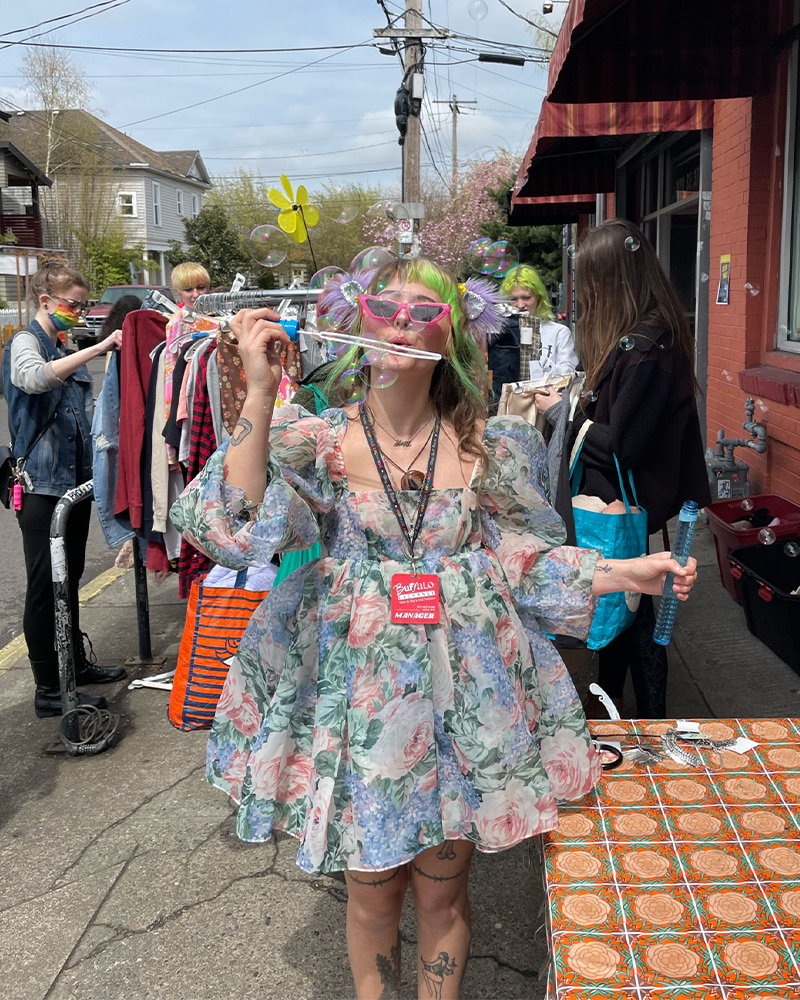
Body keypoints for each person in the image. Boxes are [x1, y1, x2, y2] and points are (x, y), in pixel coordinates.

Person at [170, 256, 697, 1000]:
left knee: (443, 895)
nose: (403, 318)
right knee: (373, 893)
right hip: (359, 704)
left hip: (463, 704)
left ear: (454, 332)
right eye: (387, 303)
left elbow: (521, 555)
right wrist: (258, 389)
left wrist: (621, 573)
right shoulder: (313, 439)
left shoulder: (492, 445)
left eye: (427, 307)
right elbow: (230, 531)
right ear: (358, 318)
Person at [534, 220, 711, 719]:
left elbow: (622, 446)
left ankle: (647, 722)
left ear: (613, 279)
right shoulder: (642, 338)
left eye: (591, 282)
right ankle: (616, 710)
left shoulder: (650, 346)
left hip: (628, 503)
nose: (586, 295)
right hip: (624, 502)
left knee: (633, 606)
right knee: (626, 603)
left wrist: (561, 414)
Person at [2, 263, 127, 718]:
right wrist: (98, 346)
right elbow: (33, 379)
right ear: (45, 301)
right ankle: (48, 689)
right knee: (43, 586)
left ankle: (73, 666)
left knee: (67, 580)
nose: (78, 311)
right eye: (71, 303)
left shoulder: (60, 345)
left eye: (82, 304)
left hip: (71, 486)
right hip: (41, 489)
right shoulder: (26, 342)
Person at [488, 263, 579, 404]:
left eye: (526, 297)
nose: (520, 305)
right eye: (513, 299)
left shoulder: (558, 332)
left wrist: (538, 361)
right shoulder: (503, 334)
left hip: (544, 407)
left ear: (538, 297)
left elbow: (569, 373)